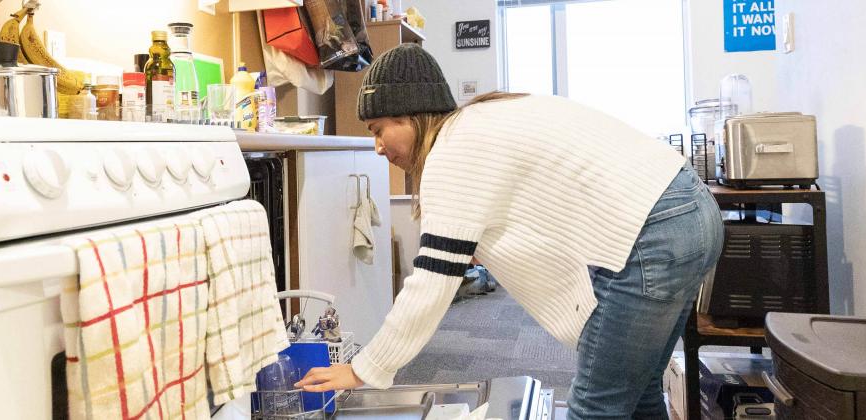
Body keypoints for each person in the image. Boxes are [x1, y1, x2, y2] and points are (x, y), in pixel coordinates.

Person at [292, 44, 723, 419]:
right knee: (638, 391)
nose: (378, 146)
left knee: (596, 405)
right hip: (690, 211)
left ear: (412, 116)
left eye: (379, 129)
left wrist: (363, 368)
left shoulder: (451, 152)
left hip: (655, 233)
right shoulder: (480, 122)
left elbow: (429, 285)